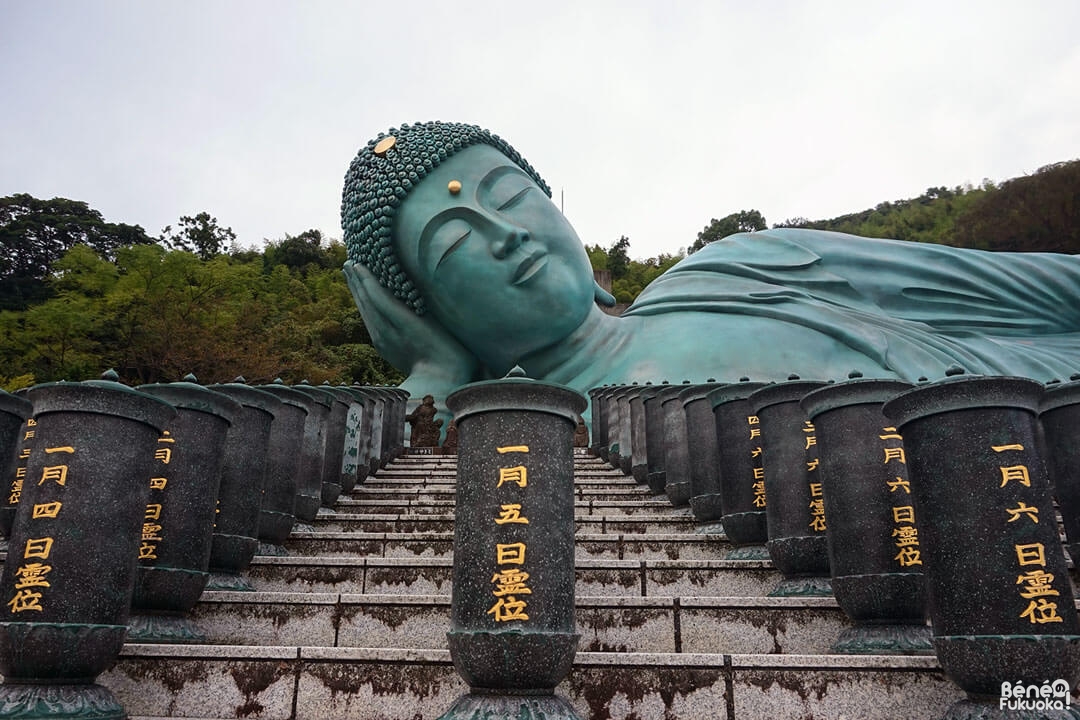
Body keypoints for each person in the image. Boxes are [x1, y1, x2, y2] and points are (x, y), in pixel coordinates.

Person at [341, 121, 1080, 412]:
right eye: (455, 244)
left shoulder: (741, 267)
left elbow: (1037, 291)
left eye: (511, 197)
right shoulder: (525, 446)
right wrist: (437, 376)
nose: (506, 235)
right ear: (425, 313)